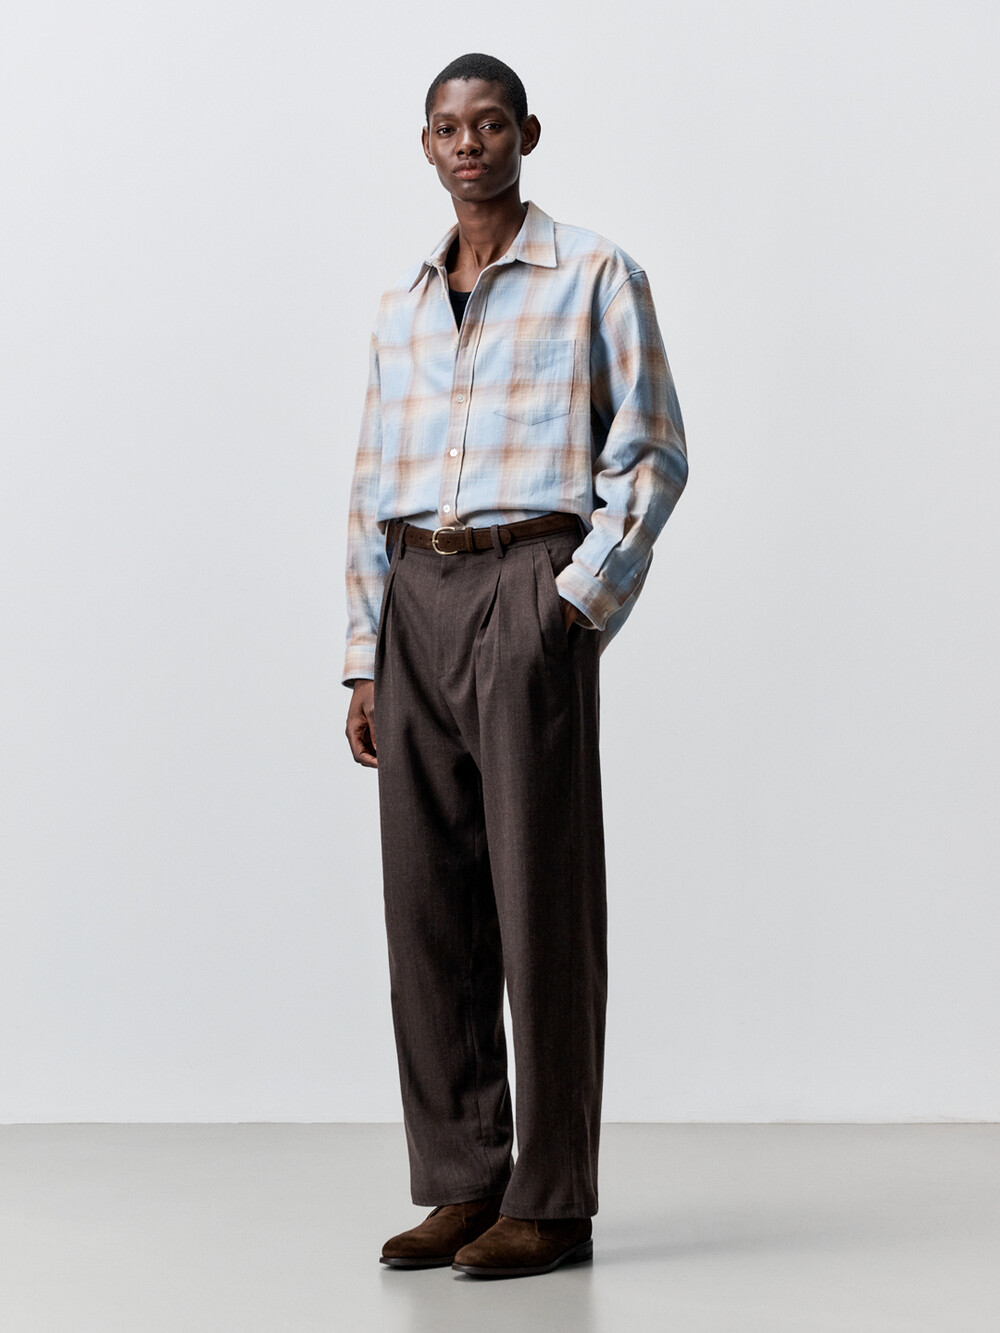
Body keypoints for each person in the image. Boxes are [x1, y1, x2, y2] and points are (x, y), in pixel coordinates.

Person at [342, 52, 689, 1279]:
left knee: (540, 899)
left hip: (525, 582)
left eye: (489, 123)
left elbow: (651, 453)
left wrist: (572, 605)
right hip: (413, 592)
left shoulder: (594, 272)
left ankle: (551, 1198)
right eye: (448, 126)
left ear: (525, 134)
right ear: (425, 144)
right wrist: (362, 657)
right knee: (426, 906)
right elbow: (370, 485)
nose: (469, 143)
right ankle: (464, 1179)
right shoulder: (400, 306)